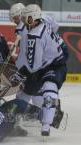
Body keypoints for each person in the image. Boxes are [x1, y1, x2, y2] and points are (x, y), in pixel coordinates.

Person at [9, 4, 68, 136]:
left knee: (40, 89)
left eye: (21, 18)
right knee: (31, 90)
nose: (20, 22)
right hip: (57, 53)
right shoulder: (43, 19)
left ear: (30, 18)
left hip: (49, 63)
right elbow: (55, 27)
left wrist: (20, 72)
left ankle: (48, 115)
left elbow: (32, 63)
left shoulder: (33, 35)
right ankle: (48, 113)